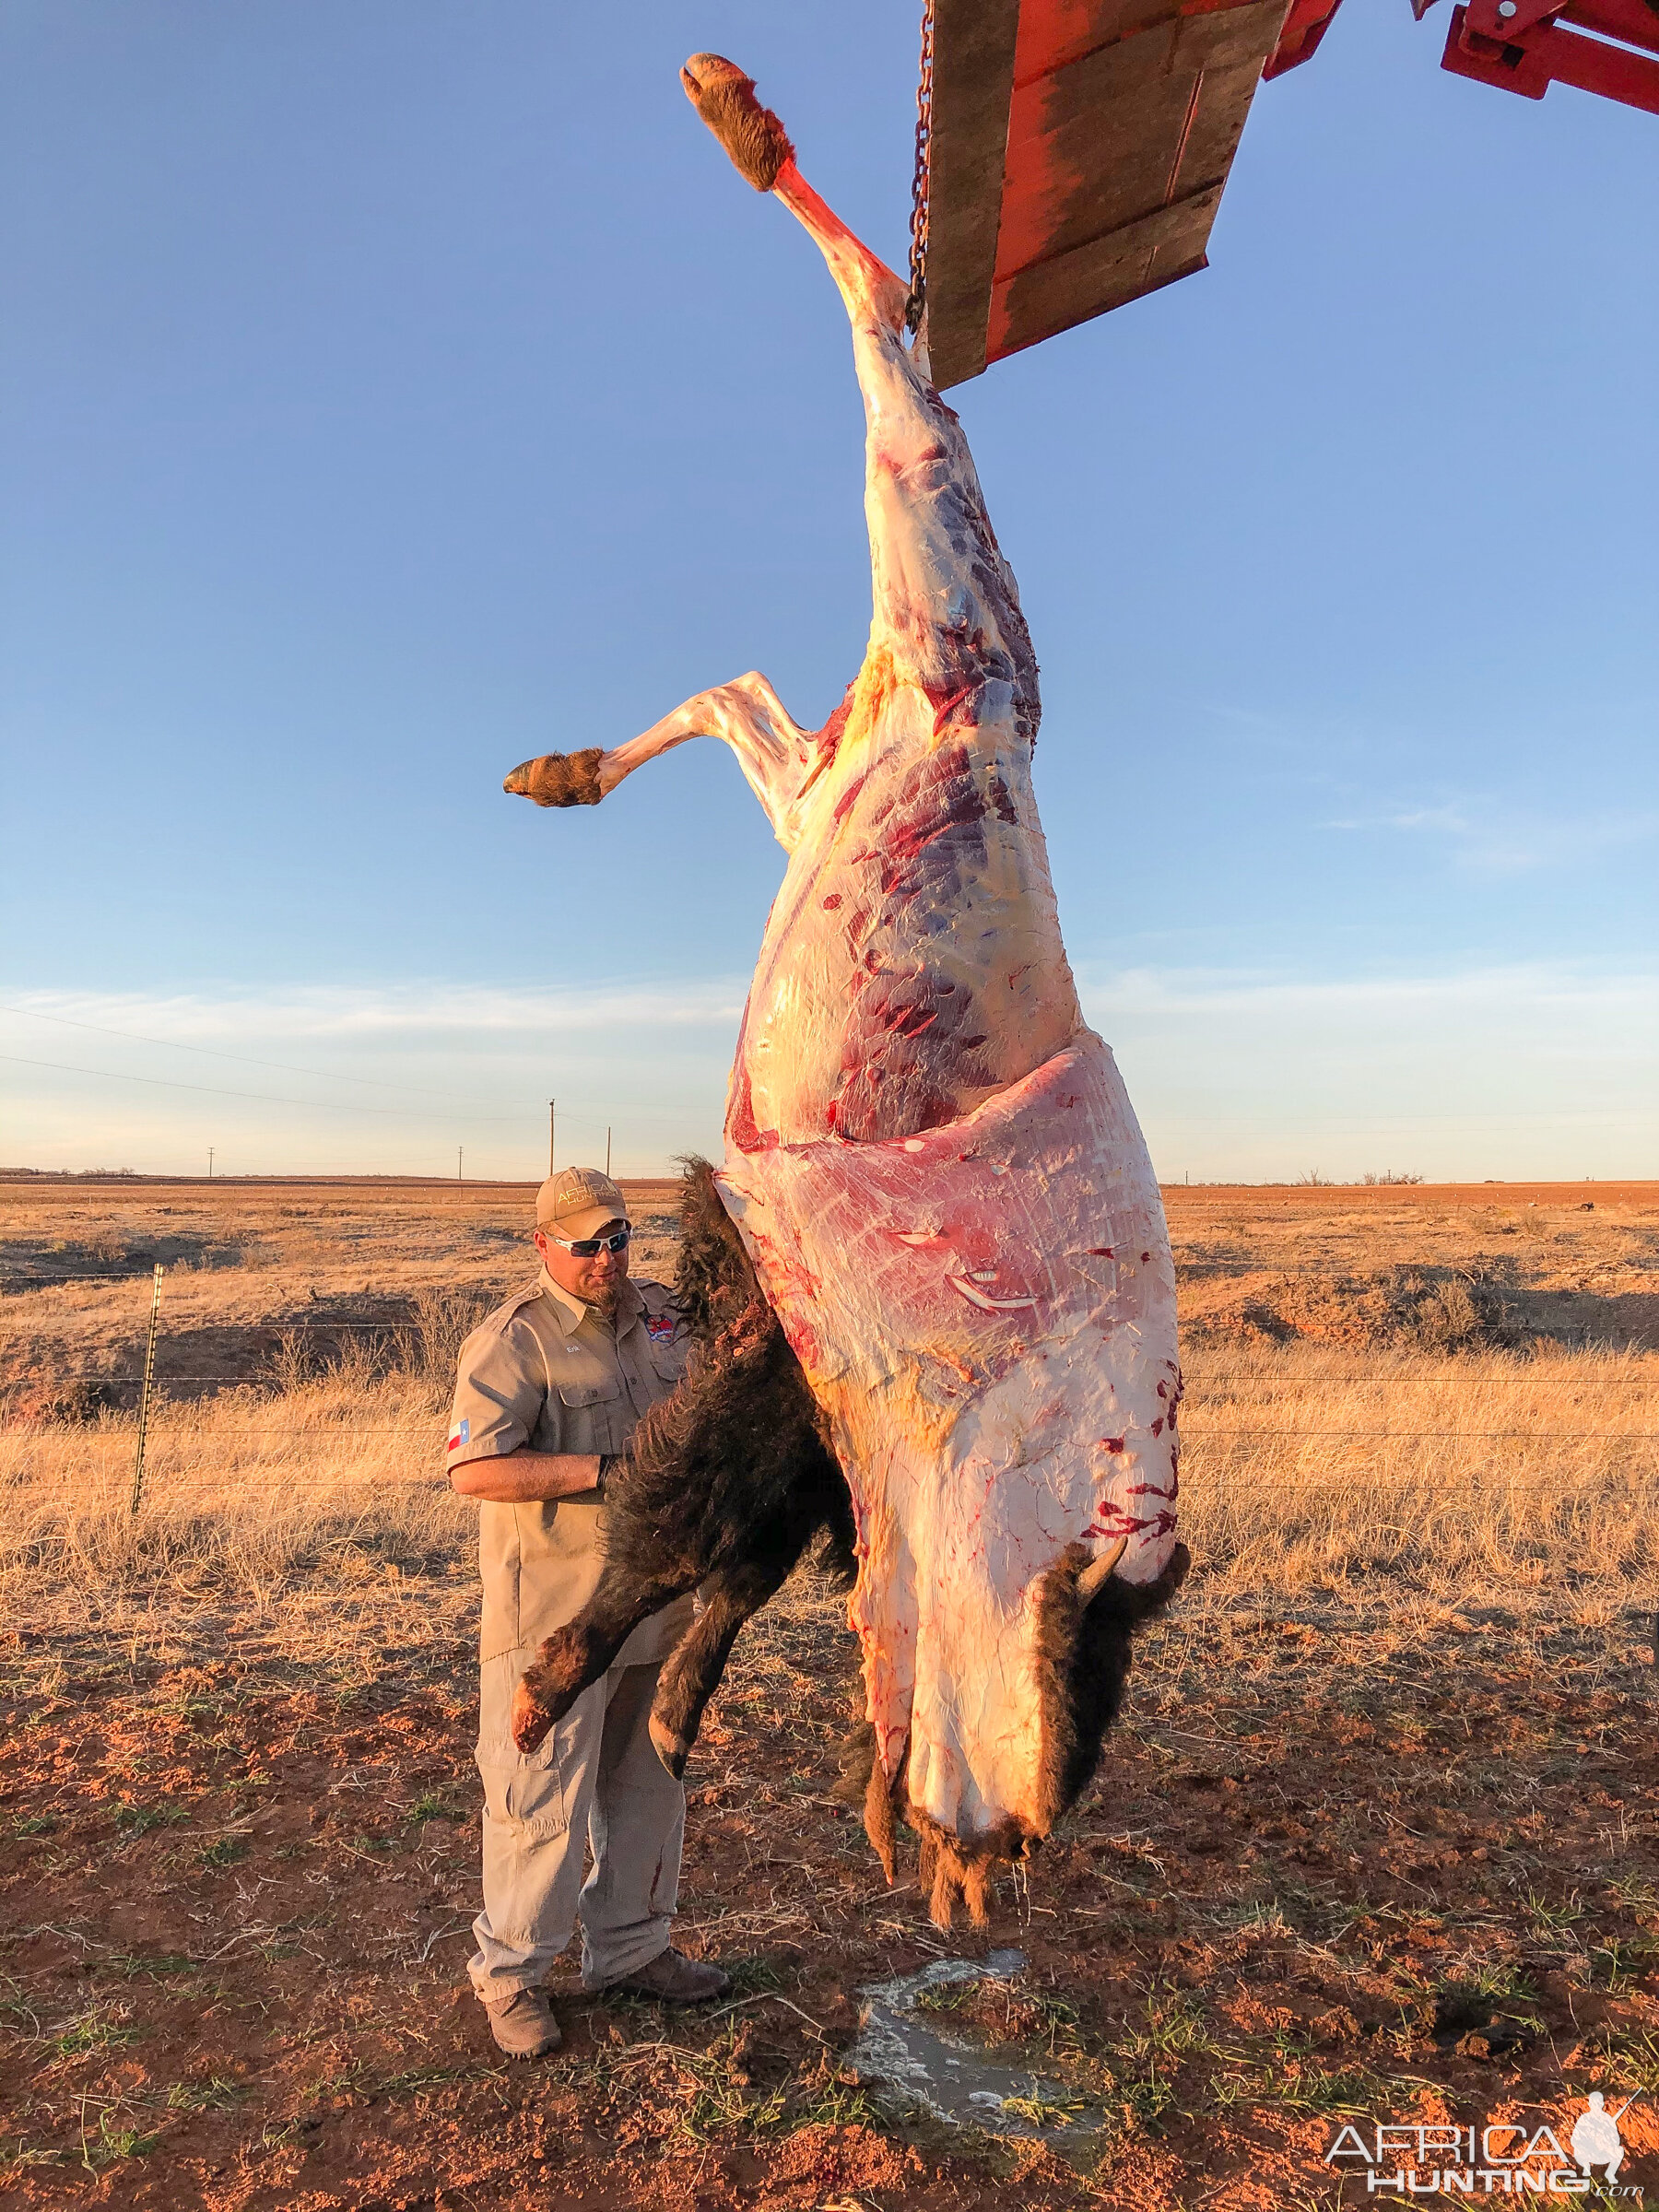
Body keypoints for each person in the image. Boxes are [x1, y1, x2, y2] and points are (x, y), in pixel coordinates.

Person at [446, 1166, 728, 2059]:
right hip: (558, 1628)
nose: (606, 1257)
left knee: (651, 1791)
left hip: (661, 1611)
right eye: (585, 1245)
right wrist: (605, 1475)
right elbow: (475, 1472)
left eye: (618, 1240)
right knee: (540, 1804)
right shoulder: (510, 1344)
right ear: (543, 1246)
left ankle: (633, 1951)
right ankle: (514, 1979)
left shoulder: (666, 1319)